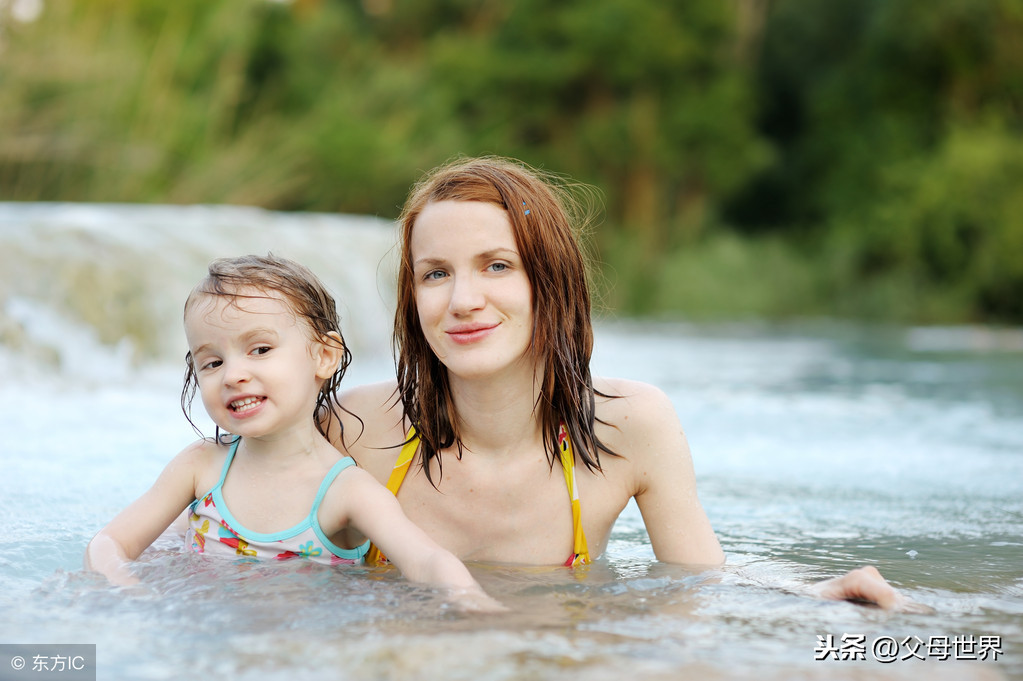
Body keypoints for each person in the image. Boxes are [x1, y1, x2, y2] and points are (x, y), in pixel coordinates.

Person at [331, 156, 911, 609]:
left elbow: (698, 578)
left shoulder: (630, 425)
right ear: (412, 297)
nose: (462, 300)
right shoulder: (353, 431)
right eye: (436, 273)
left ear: (549, 281)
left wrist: (810, 594)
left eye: (497, 266)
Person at [85, 254, 499, 611]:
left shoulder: (345, 490)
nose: (233, 375)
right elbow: (109, 544)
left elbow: (426, 561)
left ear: (323, 355)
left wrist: (475, 605)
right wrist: (130, 594)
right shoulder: (201, 467)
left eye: (260, 350)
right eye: (211, 362)